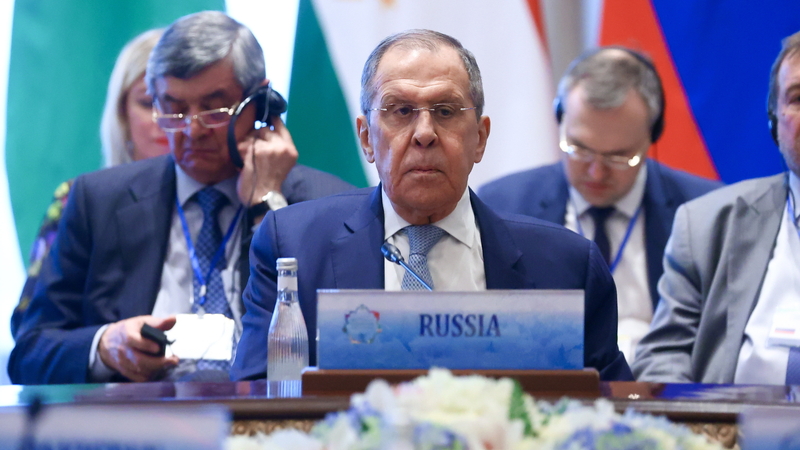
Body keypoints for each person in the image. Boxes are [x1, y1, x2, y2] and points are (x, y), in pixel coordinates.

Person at [231, 29, 632, 382]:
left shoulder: (567, 267)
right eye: (401, 111)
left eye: (445, 111)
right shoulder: (294, 247)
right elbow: (258, 398)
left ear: (480, 138)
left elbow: (610, 410)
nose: (424, 133)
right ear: (367, 138)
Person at [8, 11, 354, 385]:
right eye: (173, 109)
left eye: (213, 109)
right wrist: (105, 345)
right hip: (139, 417)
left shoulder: (328, 204)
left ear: (260, 102)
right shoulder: (98, 201)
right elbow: (30, 351)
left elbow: (345, 348)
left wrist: (267, 205)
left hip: (268, 417)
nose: (192, 130)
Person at [477, 47, 720, 362]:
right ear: (560, 120)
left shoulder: (706, 212)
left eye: (619, 156)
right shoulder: (502, 205)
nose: (596, 172)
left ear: (652, 136)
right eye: (580, 149)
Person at [633, 30, 800, 384]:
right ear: (774, 120)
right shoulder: (706, 226)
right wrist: (695, 416)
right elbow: (663, 356)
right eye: (798, 98)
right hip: (731, 419)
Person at [11, 28, 168, 338]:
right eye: (149, 102)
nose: (165, 119)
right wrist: (103, 347)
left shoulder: (229, 198)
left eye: (179, 104)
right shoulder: (79, 200)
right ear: (122, 113)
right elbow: (31, 333)